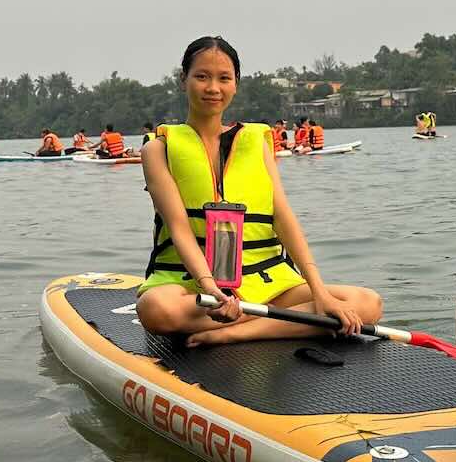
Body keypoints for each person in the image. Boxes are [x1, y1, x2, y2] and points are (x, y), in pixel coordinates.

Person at [136, 35, 383, 345]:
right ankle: (279, 319)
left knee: (367, 303)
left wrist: (319, 292)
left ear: (236, 84)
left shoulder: (257, 143)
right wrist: (212, 289)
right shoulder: (157, 150)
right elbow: (179, 228)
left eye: (224, 78)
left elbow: (283, 216)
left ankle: (237, 331)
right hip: (191, 285)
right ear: (183, 79)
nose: (213, 88)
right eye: (202, 77)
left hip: (266, 281)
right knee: (156, 310)